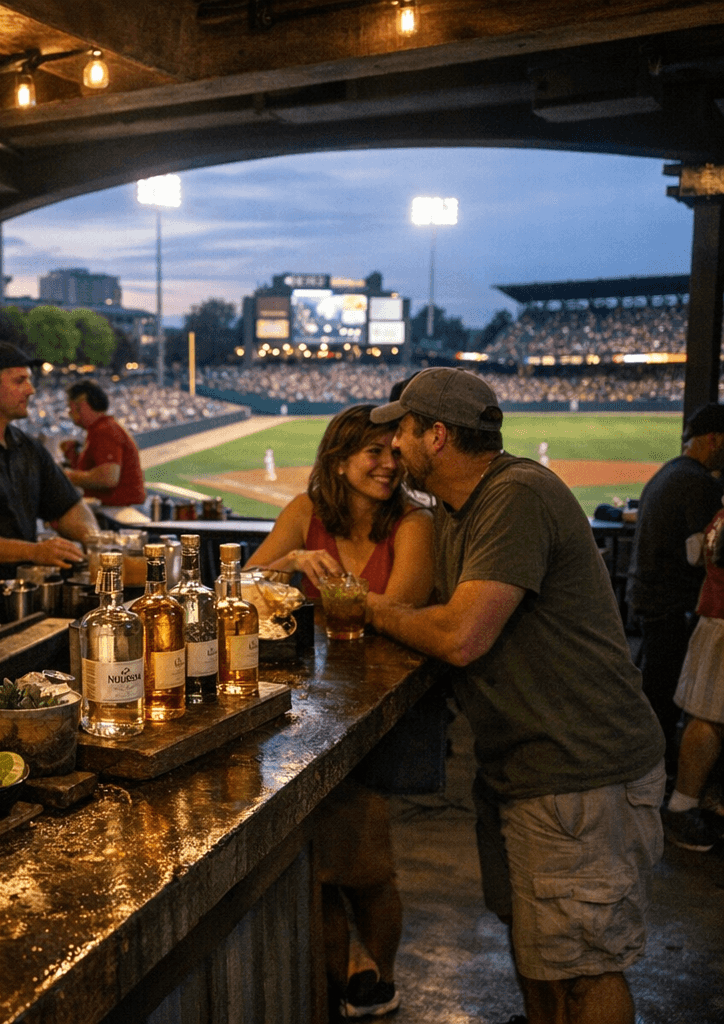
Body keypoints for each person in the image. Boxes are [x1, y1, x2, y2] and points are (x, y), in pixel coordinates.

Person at [366, 368, 665, 1024]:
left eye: (404, 432)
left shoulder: (517, 494)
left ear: (437, 436)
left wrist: (371, 608)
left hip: (582, 774)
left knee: (584, 969)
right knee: (539, 951)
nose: (395, 447)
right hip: (526, 770)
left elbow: (461, 636)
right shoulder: (454, 510)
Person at [247, 404, 435, 1020]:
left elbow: (398, 612)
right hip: (312, 706)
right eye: (372, 453)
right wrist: (291, 563)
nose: (388, 465)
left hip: (384, 706)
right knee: (317, 861)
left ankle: (376, 972)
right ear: (338, 460)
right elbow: (243, 587)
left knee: (366, 861)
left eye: (393, 452)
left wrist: (324, 596)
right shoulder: (306, 514)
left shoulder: (413, 523)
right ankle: (346, 974)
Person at [0, 343, 97, 579]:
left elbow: (68, 506)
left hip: (26, 586)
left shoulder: (28, 447)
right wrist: (33, 551)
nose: (30, 390)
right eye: (20, 381)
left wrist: (95, 542)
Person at [627, 402, 724, 770]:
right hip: (672, 604)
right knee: (668, 698)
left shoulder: (670, 471)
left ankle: (650, 767)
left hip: (650, 597)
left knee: (655, 691)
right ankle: (657, 771)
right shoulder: (699, 482)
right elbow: (704, 553)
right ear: (714, 439)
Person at [662, 498, 724, 852]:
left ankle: (696, 803)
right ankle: (682, 808)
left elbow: (696, 553)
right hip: (720, 623)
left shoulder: (720, 513)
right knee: (709, 719)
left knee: (709, 718)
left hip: (714, 620)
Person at [60, 379, 147, 509]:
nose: (69, 413)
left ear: (81, 406)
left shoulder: (104, 430)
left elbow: (108, 478)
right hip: (117, 508)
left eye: (70, 407)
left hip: (119, 510)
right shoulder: (101, 428)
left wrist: (67, 476)